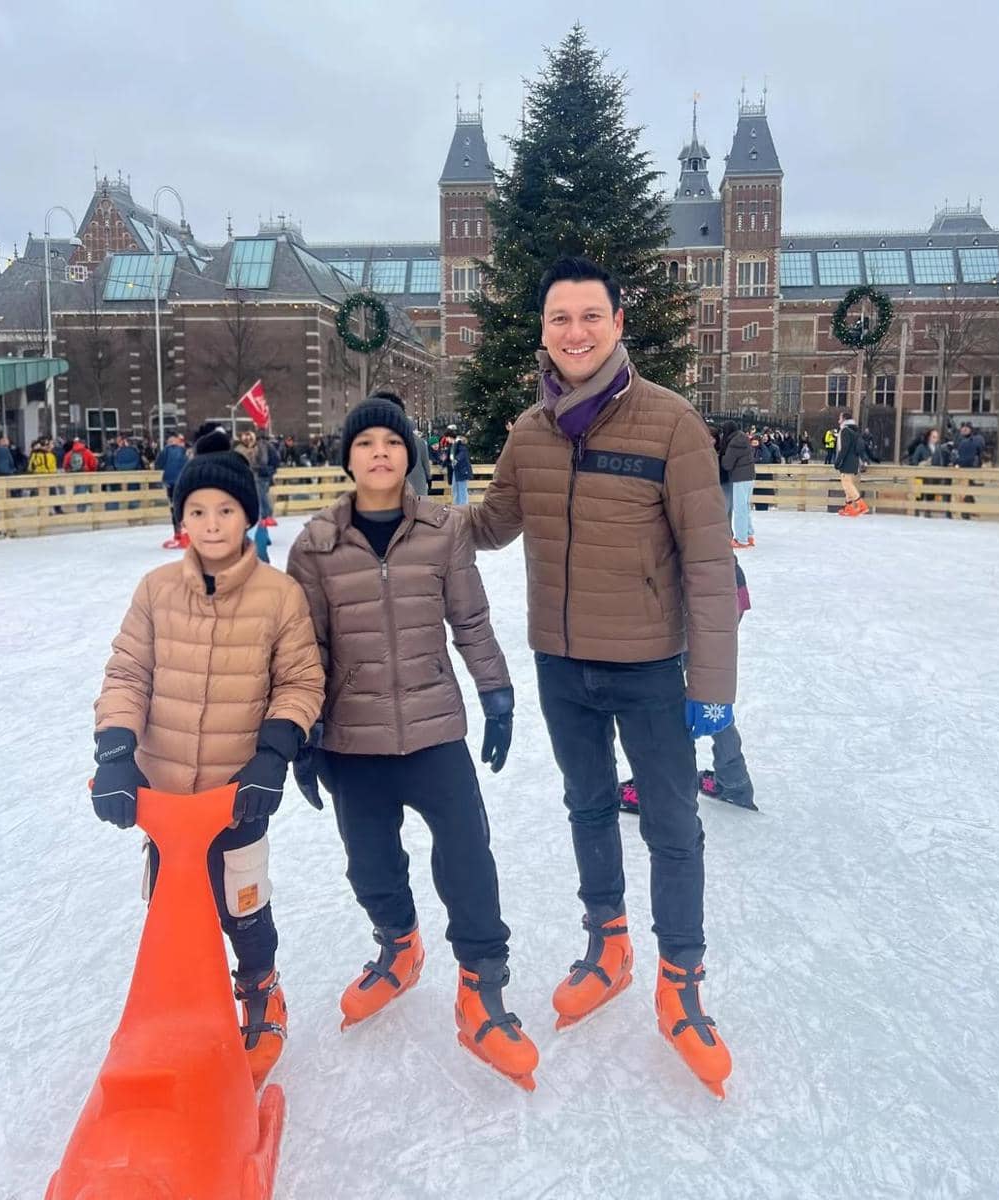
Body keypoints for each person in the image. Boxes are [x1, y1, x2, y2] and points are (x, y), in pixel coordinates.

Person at [464, 255, 737, 1098]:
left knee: (672, 826)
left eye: (590, 316)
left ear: (618, 323)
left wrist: (713, 686)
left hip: (651, 665)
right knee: (587, 806)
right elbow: (491, 524)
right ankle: (608, 944)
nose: (574, 332)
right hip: (561, 662)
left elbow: (708, 562)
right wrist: (404, 509)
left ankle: (681, 983)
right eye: (560, 318)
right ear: (543, 330)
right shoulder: (529, 432)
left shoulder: (670, 423)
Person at [286, 396, 538, 1091]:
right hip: (353, 738)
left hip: (433, 730)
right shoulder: (316, 545)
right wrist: (304, 734)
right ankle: (399, 946)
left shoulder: (442, 530)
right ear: (347, 458)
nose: (379, 453)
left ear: (410, 456)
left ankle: (482, 987)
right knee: (369, 864)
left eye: (392, 443)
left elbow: (471, 620)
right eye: (365, 442)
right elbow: (304, 648)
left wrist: (496, 693)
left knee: (468, 856)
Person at [90, 430, 324, 1088]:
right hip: (166, 800)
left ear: (249, 516)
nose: (212, 523)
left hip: (237, 792)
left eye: (225, 510)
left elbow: (300, 682)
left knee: (243, 906)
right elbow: (127, 674)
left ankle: (260, 987)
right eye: (197, 511)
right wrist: (116, 752)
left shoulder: (279, 596)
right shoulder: (156, 590)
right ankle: (180, 1005)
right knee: (172, 913)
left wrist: (273, 755)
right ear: (181, 520)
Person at [621, 559, 756, 814]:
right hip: (724, 591)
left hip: (692, 599)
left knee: (662, 690)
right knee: (710, 691)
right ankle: (733, 780)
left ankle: (656, 788)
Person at [720, 421, 756, 549]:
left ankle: (741, 539)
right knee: (745, 507)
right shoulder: (742, 438)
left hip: (740, 478)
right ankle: (749, 535)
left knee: (740, 509)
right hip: (749, 477)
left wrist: (720, 456)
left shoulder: (734, 443)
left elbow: (727, 464)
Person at [156, 433, 189, 548]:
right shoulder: (184, 451)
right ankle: (186, 535)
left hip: (170, 482)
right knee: (183, 506)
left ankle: (178, 534)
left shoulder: (165, 451)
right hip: (183, 482)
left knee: (174, 507)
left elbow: (158, 465)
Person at [833, 412, 868, 517]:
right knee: (847, 485)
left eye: (840, 418)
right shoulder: (854, 430)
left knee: (847, 484)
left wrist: (838, 461)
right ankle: (849, 507)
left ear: (844, 419)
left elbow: (844, 448)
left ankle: (861, 504)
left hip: (847, 462)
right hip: (854, 461)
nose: (838, 420)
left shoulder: (845, 431)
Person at [452, 435, 474, 505]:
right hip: (459, 471)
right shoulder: (456, 446)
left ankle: (462, 507)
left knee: (461, 491)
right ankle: (458, 507)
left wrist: (456, 459)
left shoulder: (461, 446)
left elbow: (462, 454)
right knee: (457, 491)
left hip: (462, 471)